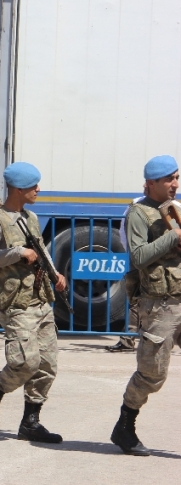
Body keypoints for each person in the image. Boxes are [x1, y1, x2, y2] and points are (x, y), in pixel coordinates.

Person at [0, 162, 67, 443]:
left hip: (40, 299)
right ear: (17, 189)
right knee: (24, 363)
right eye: (33, 186)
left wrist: (55, 273)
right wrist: (16, 252)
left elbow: (39, 249)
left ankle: (31, 422)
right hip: (15, 302)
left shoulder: (31, 218)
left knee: (47, 364)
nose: (38, 190)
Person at [110, 155, 181, 456]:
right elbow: (138, 257)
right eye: (169, 179)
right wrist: (173, 238)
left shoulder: (174, 209)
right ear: (151, 183)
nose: (174, 184)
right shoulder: (138, 213)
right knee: (152, 374)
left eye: (176, 177)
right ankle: (125, 427)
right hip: (158, 305)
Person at [106, 192, 145, 353]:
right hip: (140, 259)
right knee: (137, 299)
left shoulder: (172, 207)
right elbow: (124, 230)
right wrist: (129, 252)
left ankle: (128, 339)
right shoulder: (136, 205)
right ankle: (128, 338)